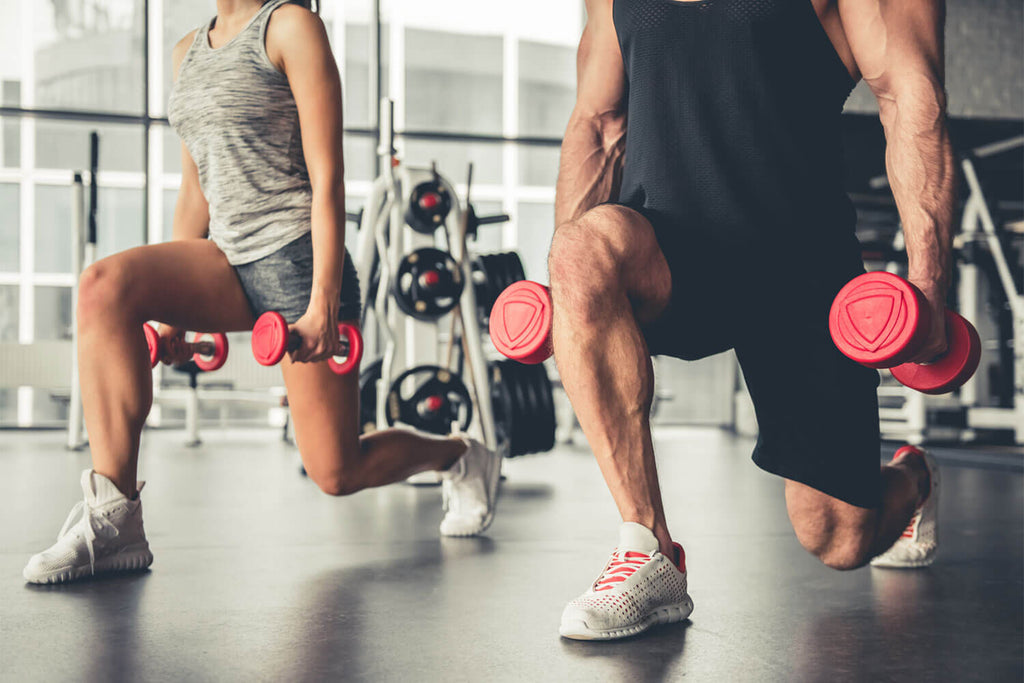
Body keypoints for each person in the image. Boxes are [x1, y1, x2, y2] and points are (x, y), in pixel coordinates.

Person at [23, 0, 502, 585]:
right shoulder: (188, 51)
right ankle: (115, 515)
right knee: (104, 286)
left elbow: (328, 177)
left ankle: (459, 454)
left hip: (295, 260)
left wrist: (323, 301)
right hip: (223, 257)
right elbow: (194, 189)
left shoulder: (291, 27)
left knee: (336, 470)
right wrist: (172, 319)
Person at [553, 0, 951, 640]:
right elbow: (600, 125)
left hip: (803, 270)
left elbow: (908, 95)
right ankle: (648, 548)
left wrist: (928, 286)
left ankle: (914, 479)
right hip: (668, 252)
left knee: (836, 535)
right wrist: (564, 292)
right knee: (577, 250)